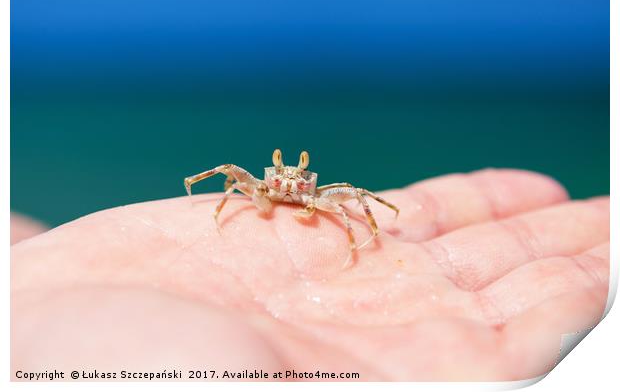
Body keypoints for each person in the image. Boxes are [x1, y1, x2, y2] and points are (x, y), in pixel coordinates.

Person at [10, 169, 609, 381]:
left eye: (297, 176)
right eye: (282, 175)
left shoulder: (319, 194)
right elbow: (224, 178)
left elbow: (357, 202)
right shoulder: (256, 186)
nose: (288, 181)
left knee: (354, 207)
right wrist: (208, 199)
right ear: (273, 174)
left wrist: (375, 226)